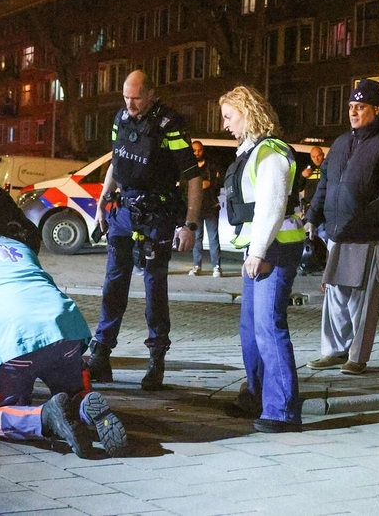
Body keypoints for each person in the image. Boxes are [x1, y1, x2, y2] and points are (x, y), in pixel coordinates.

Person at [0, 207, 128, 458]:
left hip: (13, 342)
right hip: (66, 331)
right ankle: (85, 407)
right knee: (73, 392)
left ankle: (45, 417)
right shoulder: (18, 246)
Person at [87, 70, 202, 391]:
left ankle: (156, 359)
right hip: (123, 212)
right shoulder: (120, 119)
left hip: (157, 215)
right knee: (113, 284)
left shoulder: (169, 125)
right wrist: (101, 202)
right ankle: (101, 354)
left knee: (154, 288)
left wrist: (189, 223)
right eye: (126, 96)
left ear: (151, 94)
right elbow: (116, 159)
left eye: (136, 97)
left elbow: (192, 176)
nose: (130, 103)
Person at [305, 79, 379, 375]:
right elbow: (325, 183)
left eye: (360, 106)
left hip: (369, 233)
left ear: (376, 110)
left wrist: (368, 216)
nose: (353, 112)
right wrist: (313, 217)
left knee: (363, 297)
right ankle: (333, 350)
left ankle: (357, 355)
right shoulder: (341, 143)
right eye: (351, 106)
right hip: (337, 232)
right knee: (335, 294)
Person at [218, 86, 308, 433]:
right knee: (251, 330)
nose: (225, 125)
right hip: (263, 248)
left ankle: (283, 411)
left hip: (274, 249)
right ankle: (256, 397)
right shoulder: (252, 152)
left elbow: (271, 206)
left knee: (268, 327)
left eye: (229, 116)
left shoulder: (269, 153)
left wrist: (258, 252)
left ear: (248, 112)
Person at [187, 140, 223, 278]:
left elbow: (220, 181)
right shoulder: (189, 167)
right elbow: (185, 184)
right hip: (196, 209)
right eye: (194, 150)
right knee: (197, 238)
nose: (197, 153)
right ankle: (197, 266)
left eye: (199, 150)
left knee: (213, 238)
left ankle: (216, 267)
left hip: (211, 207)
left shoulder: (212, 166)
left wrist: (210, 183)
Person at [300, 145, 326, 214]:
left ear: (323, 155)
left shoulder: (329, 167)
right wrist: (302, 176)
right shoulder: (308, 168)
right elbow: (299, 188)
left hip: (324, 206)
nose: (316, 159)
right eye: (313, 157)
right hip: (310, 206)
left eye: (318, 156)